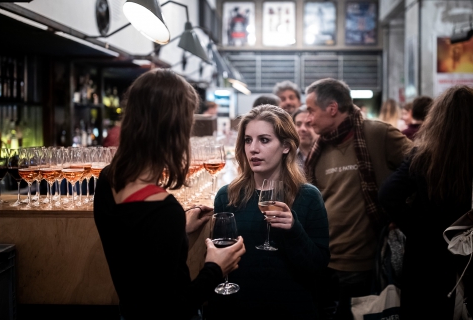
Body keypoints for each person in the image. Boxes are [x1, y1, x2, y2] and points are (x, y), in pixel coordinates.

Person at [93, 69, 245, 320]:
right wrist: (216, 269)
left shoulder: (108, 179)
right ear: (175, 130)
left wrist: (179, 229)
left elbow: (133, 250)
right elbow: (171, 307)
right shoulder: (163, 209)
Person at [205, 105, 330, 319]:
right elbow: (221, 265)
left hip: (291, 309)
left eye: (264, 140)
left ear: (286, 146)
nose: (253, 149)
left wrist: (293, 229)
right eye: (247, 140)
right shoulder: (228, 196)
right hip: (238, 309)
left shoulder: (308, 196)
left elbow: (318, 267)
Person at [304, 78, 412, 320]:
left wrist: (403, 213)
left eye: (311, 110)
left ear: (332, 108)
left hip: (364, 262)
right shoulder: (317, 150)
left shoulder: (378, 134)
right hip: (325, 259)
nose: (308, 118)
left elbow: (424, 167)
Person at [378, 85, 473, 320]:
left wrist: (418, 228)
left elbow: (388, 195)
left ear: (437, 119)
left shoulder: (421, 157)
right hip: (468, 255)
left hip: (426, 258)